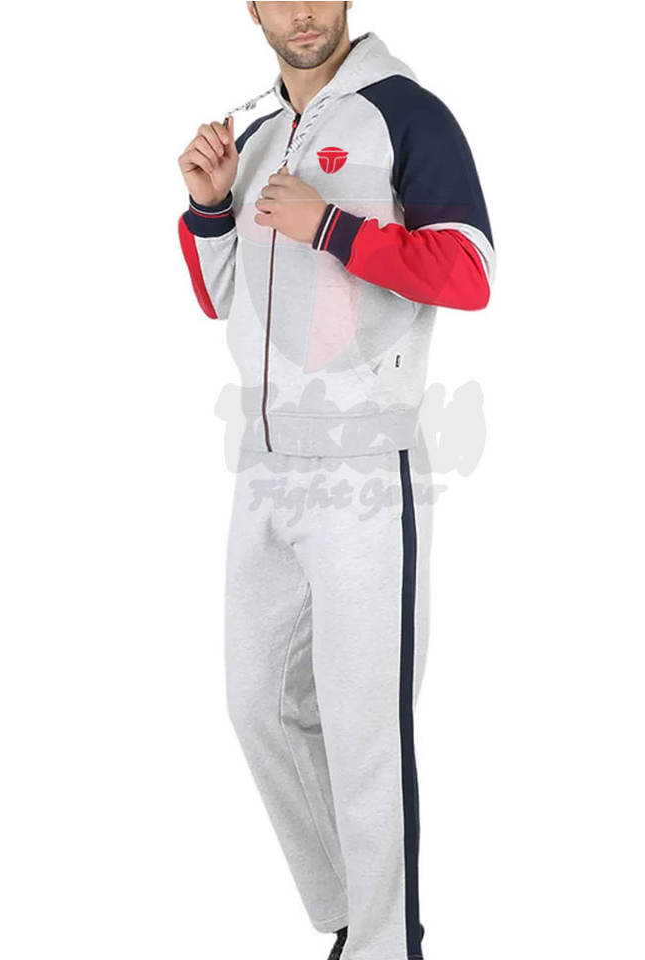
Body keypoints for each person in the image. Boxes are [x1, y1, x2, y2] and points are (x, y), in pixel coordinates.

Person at [177, 4, 494, 958]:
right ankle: (360, 921)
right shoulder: (255, 136)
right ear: (253, 7)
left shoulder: (406, 113)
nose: (302, 10)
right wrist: (211, 209)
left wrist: (331, 225)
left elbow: (470, 271)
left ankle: (388, 947)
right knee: (258, 706)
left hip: (363, 459)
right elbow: (223, 297)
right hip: (264, 466)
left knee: (364, 729)